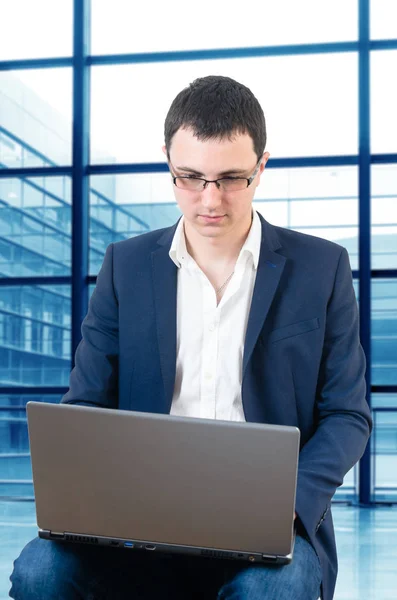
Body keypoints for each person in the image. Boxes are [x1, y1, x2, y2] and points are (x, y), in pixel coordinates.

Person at [10, 75, 371, 600]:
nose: (211, 200)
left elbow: (348, 413)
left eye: (231, 178)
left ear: (262, 166)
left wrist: (289, 504)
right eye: (190, 177)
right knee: (39, 573)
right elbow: (86, 403)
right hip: (134, 528)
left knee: (275, 590)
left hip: (270, 529)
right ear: (167, 162)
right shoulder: (125, 267)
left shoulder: (322, 268)